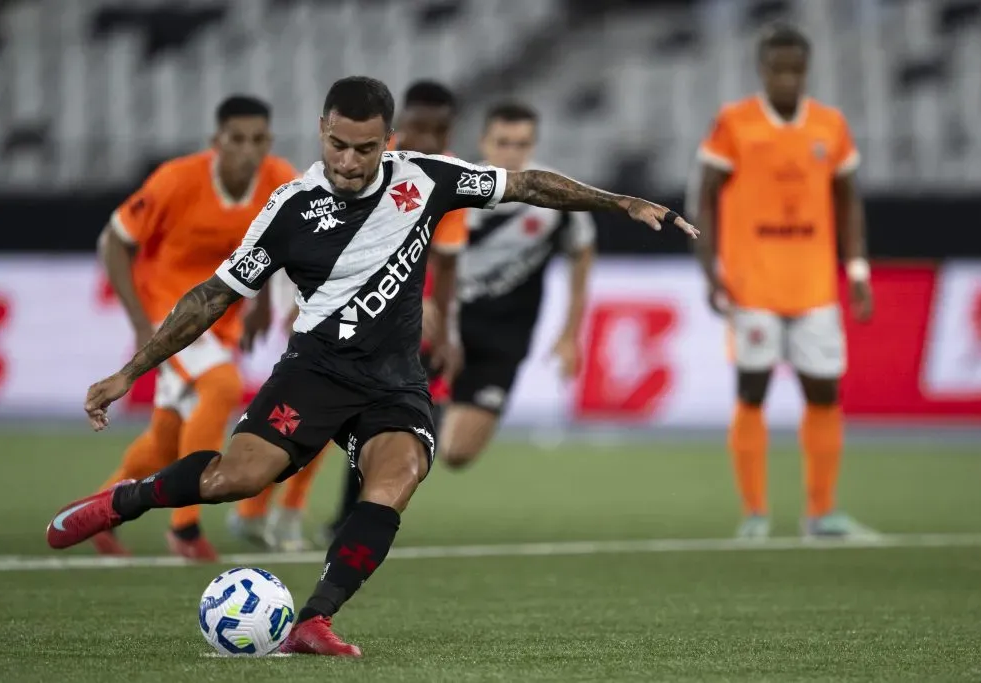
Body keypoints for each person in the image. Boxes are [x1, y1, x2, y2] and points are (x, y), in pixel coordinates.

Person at [47, 76, 696, 657]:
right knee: (233, 478)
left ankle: (314, 619)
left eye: (364, 148)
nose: (350, 162)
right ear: (322, 134)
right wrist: (129, 372)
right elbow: (212, 297)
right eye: (338, 146)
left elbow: (526, 184)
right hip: (316, 372)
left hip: (394, 381)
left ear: (389, 140)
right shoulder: (290, 208)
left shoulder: (428, 178)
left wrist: (622, 202)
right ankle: (125, 500)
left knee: (399, 473)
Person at [91, 96, 314, 560]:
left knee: (163, 443)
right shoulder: (177, 179)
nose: (247, 151)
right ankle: (185, 527)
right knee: (221, 385)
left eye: (257, 140)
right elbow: (114, 240)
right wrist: (139, 324)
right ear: (217, 142)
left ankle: (99, 511)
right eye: (236, 139)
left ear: (268, 143)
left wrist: (268, 302)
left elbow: (293, 245)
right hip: (168, 316)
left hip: (220, 324)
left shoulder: (279, 179)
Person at [693, 23, 876, 540]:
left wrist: (857, 267)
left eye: (796, 70)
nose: (787, 80)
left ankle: (822, 512)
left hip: (814, 284)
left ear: (806, 71)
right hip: (753, 285)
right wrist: (711, 269)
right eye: (778, 70)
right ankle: (754, 514)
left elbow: (848, 200)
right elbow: (703, 196)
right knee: (752, 390)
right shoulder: (734, 123)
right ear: (762, 70)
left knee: (824, 392)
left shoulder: (830, 125)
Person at [320, 80, 467, 542]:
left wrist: (446, 332)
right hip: (353, 307)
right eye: (418, 128)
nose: (426, 139)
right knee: (338, 417)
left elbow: (446, 262)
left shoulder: (448, 175)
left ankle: (351, 516)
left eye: (437, 130)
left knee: (389, 423)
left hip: (405, 318)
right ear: (399, 128)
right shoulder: (371, 164)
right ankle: (303, 512)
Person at [437, 101, 595, 468]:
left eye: (521, 144)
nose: (510, 152)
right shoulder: (455, 192)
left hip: (506, 340)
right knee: (401, 435)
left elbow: (583, 255)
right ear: (484, 142)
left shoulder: (556, 196)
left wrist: (570, 334)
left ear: (533, 146)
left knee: (456, 453)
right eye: (502, 142)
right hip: (449, 327)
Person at [226, 270, 325, 552]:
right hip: (309, 283)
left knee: (327, 412)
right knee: (307, 410)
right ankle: (266, 509)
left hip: (343, 288)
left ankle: (268, 510)